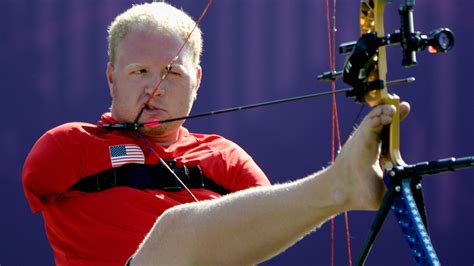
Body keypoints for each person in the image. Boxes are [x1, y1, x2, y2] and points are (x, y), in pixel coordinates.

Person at [22, 2, 410, 265]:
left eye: (172, 73)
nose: (155, 87)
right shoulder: (70, 145)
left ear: (197, 83)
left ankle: (342, 184)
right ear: (111, 77)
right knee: (174, 229)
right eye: (139, 71)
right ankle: (340, 185)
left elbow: (262, 228)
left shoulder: (223, 155)